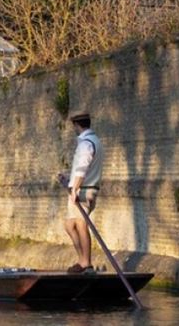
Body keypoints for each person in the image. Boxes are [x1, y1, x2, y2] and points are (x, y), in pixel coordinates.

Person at [59, 112, 104, 273]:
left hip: (83, 191)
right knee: (69, 224)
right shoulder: (96, 141)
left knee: (80, 224)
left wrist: (75, 189)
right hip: (88, 188)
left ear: (77, 126)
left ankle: (86, 263)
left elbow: (82, 169)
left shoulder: (85, 144)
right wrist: (69, 179)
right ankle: (82, 260)